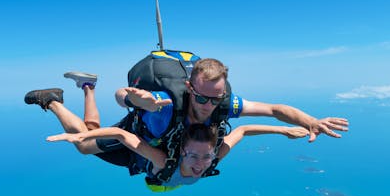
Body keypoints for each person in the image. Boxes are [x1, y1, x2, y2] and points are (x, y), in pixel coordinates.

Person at [25, 73, 309, 192]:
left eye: (205, 158)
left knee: (92, 134)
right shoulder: (165, 161)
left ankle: (88, 86)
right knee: (86, 145)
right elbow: (126, 138)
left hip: (143, 151)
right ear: (182, 151)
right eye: (197, 158)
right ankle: (52, 100)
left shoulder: (212, 157)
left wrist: (283, 132)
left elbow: (245, 130)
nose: (200, 165)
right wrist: (80, 139)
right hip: (140, 148)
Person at [115, 57, 349, 144]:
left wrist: (310, 122)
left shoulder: (227, 103)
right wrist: (137, 102)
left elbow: (274, 109)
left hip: (179, 155)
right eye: (200, 97)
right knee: (85, 145)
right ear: (189, 88)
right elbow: (121, 96)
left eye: (215, 99)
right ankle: (88, 87)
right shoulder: (166, 102)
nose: (208, 105)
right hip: (141, 138)